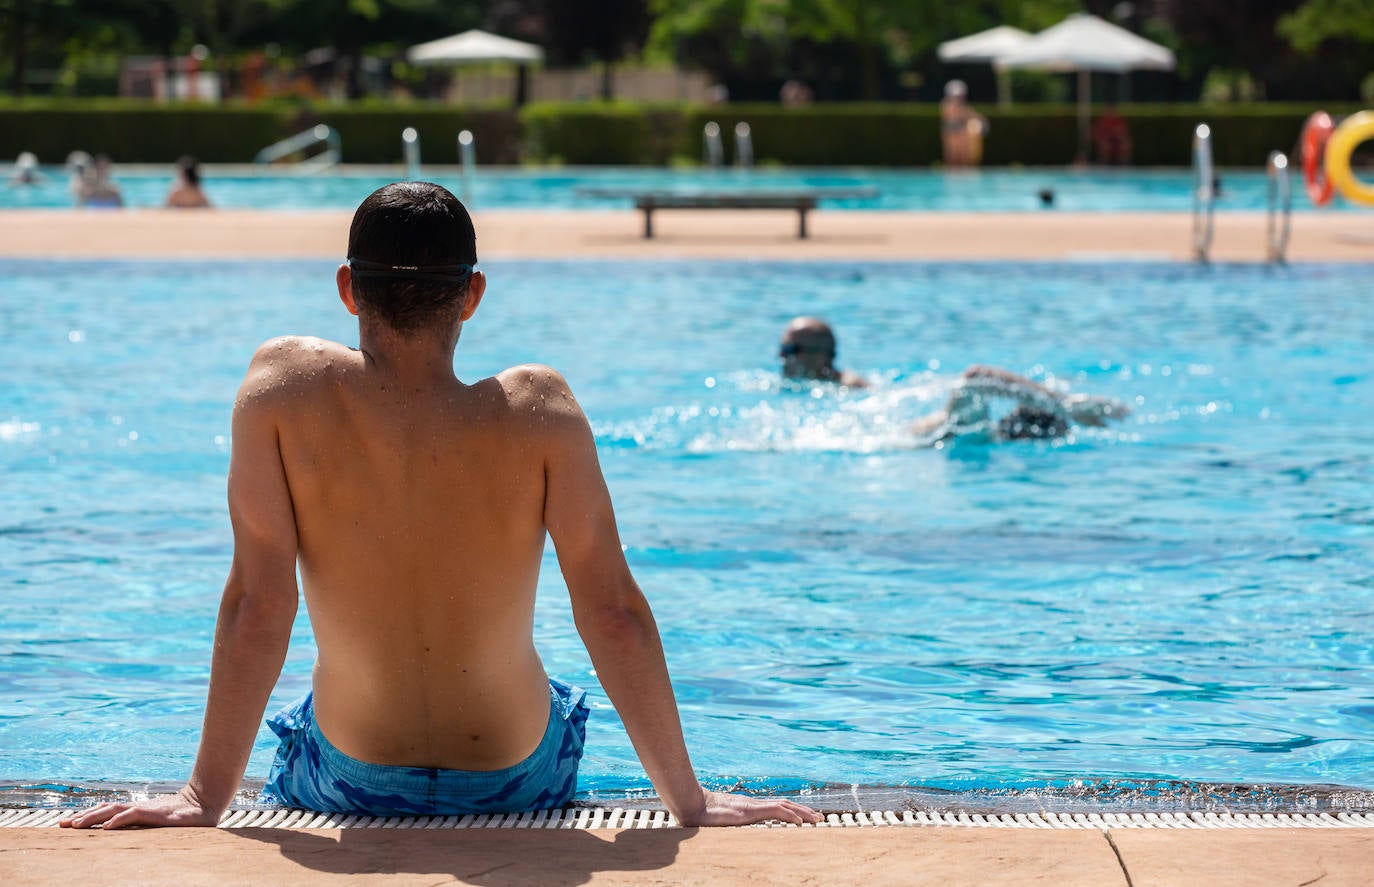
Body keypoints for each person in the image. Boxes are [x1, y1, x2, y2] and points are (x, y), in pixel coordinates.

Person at [61, 182, 820, 831]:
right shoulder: (541, 409)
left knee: (317, 698)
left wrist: (203, 797)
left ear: (348, 288)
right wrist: (689, 802)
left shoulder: (280, 391)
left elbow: (260, 606)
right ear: (474, 294)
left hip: (348, 777)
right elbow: (613, 611)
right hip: (515, 776)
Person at [778, 318, 1128, 441]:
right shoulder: (979, 434)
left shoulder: (851, 386)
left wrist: (1066, 406)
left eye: (790, 349)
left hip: (935, 437)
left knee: (974, 380)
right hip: (931, 439)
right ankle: (1065, 404)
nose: (782, 358)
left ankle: (1067, 405)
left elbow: (978, 376)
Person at [779, 316, 869, 388]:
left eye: (790, 349)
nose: (781, 355)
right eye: (783, 348)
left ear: (820, 356)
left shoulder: (852, 388)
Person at [939, 80, 986, 168]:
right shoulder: (946, 105)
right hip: (952, 132)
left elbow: (971, 115)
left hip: (959, 131)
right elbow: (956, 116)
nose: (959, 97)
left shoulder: (963, 106)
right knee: (953, 154)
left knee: (964, 154)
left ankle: (963, 170)